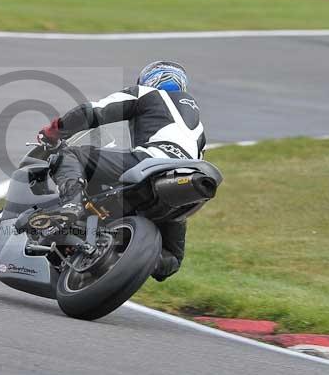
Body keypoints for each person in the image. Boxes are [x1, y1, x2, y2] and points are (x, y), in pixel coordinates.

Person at [37, 61, 206, 282]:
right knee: (171, 260)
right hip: (182, 188)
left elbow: (95, 111)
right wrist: (139, 256)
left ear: (151, 79)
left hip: (151, 162)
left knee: (70, 155)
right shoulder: (199, 128)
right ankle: (126, 254)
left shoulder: (148, 94)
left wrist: (54, 131)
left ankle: (71, 204)